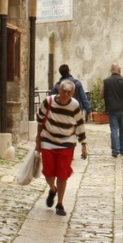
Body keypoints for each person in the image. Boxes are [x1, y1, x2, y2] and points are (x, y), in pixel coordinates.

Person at [36, 79, 87, 216]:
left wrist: (83, 145)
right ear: (59, 90)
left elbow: (80, 125)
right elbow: (40, 121)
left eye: (69, 92)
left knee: (62, 173)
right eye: (64, 91)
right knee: (48, 172)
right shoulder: (48, 102)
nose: (66, 94)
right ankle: (53, 189)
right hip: (48, 140)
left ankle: (60, 203)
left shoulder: (74, 105)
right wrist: (38, 142)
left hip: (66, 142)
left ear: (73, 93)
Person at [101, 63, 123, 157]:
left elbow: (101, 94)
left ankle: (115, 151)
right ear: (119, 71)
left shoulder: (105, 81)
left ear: (111, 71)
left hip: (112, 109)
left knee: (114, 129)